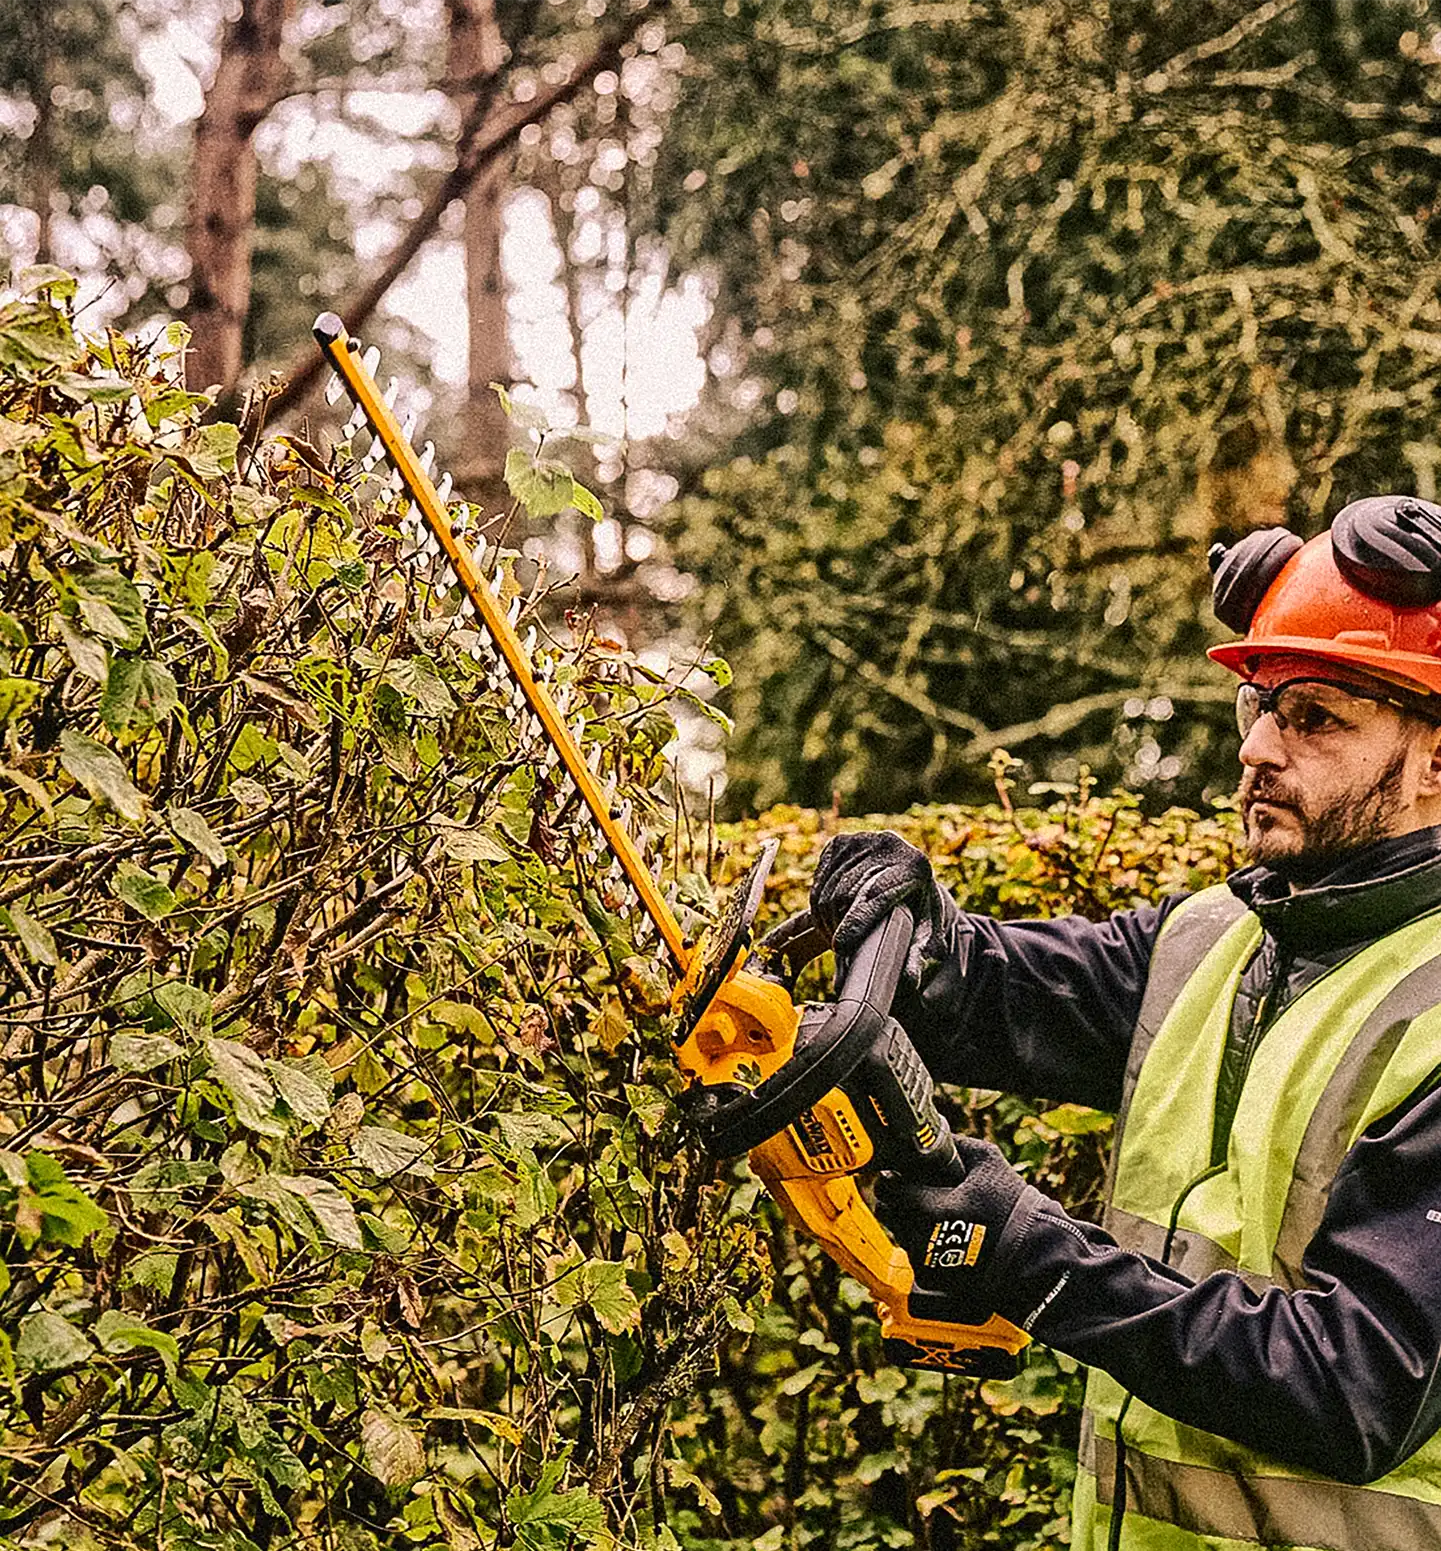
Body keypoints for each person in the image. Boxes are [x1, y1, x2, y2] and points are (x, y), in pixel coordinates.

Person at [794, 495, 1441, 1550]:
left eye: (1314, 716)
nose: (1258, 750)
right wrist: (903, 915)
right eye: (1259, 709)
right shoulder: (1213, 941)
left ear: (1436, 759)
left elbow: (1354, 1385)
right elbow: (987, 988)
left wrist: (1035, 1257)